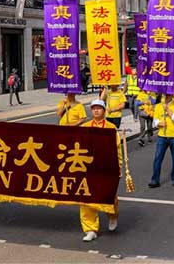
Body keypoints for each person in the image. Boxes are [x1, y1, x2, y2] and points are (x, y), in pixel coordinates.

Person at [79, 99, 122, 242]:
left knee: (109, 196)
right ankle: (90, 229)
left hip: (106, 167)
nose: (96, 111)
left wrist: (118, 167)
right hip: (89, 168)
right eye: (93, 108)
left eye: (99, 108)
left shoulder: (110, 128)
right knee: (86, 198)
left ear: (104, 111)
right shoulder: (85, 127)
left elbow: (117, 150)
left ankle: (113, 215)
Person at [148, 94, 174, 188]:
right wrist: (159, 123)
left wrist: (167, 109)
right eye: (165, 95)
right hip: (162, 136)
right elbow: (155, 121)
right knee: (157, 158)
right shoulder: (159, 106)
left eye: (168, 95)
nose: (166, 97)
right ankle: (155, 180)